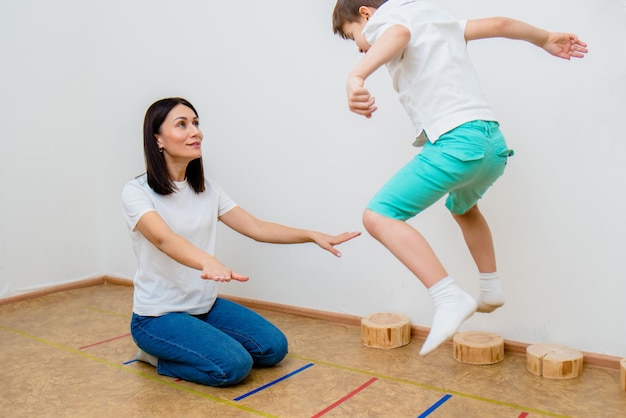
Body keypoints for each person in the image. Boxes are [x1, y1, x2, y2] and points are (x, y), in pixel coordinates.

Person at [331, 0, 587, 355]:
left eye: (353, 36)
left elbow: (399, 34)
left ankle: (447, 296)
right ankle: (490, 286)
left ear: (365, 14)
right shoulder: (436, 18)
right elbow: (499, 23)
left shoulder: (389, 21)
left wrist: (356, 75)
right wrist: (543, 38)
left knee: (378, 216)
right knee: (463, 209)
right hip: (492, 146)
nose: (360, 45)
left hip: (457, 143)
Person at [121, 97, 360, 386]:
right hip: (157, 317)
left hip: (203, 306)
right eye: (182, 125)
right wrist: (207, 261)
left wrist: (311, 236)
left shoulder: (207, 190)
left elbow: (257, 227)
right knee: (233, 367)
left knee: (274, 348)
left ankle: (193, 341)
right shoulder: (137, 192)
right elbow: (163, 239)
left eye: (196, 123)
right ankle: (155, 356)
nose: (195, 131)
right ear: (158, 139)